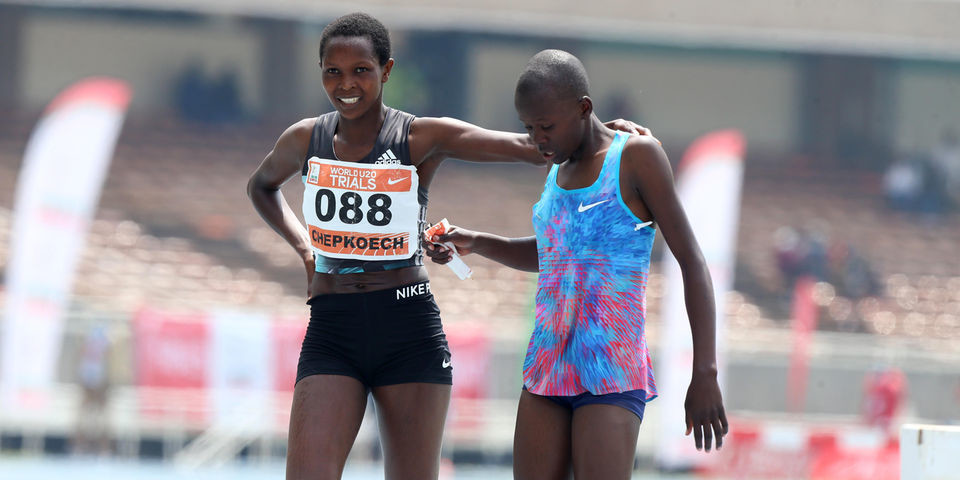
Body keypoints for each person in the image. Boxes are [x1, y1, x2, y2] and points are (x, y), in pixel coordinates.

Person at [246, 14, 649, 480]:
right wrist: (305, 250)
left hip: (407, 328)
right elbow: (261, 187)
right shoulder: (305, 139)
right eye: (332, 71)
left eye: (361, 70)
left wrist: (599, 133)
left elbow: (530, 146)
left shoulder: (420, 137)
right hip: (332, 328)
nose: (346, 84)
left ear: (386, 70)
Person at [425, 49, 727, 480]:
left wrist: (705, 373)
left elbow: (693, 262)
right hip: (547, 367)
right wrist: (476, 241)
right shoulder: (557, 168)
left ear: (583, 108)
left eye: (546, 126)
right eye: (529, 128)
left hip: (610, 372)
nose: (538, 140)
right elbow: (556, 255)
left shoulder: (636, 156)